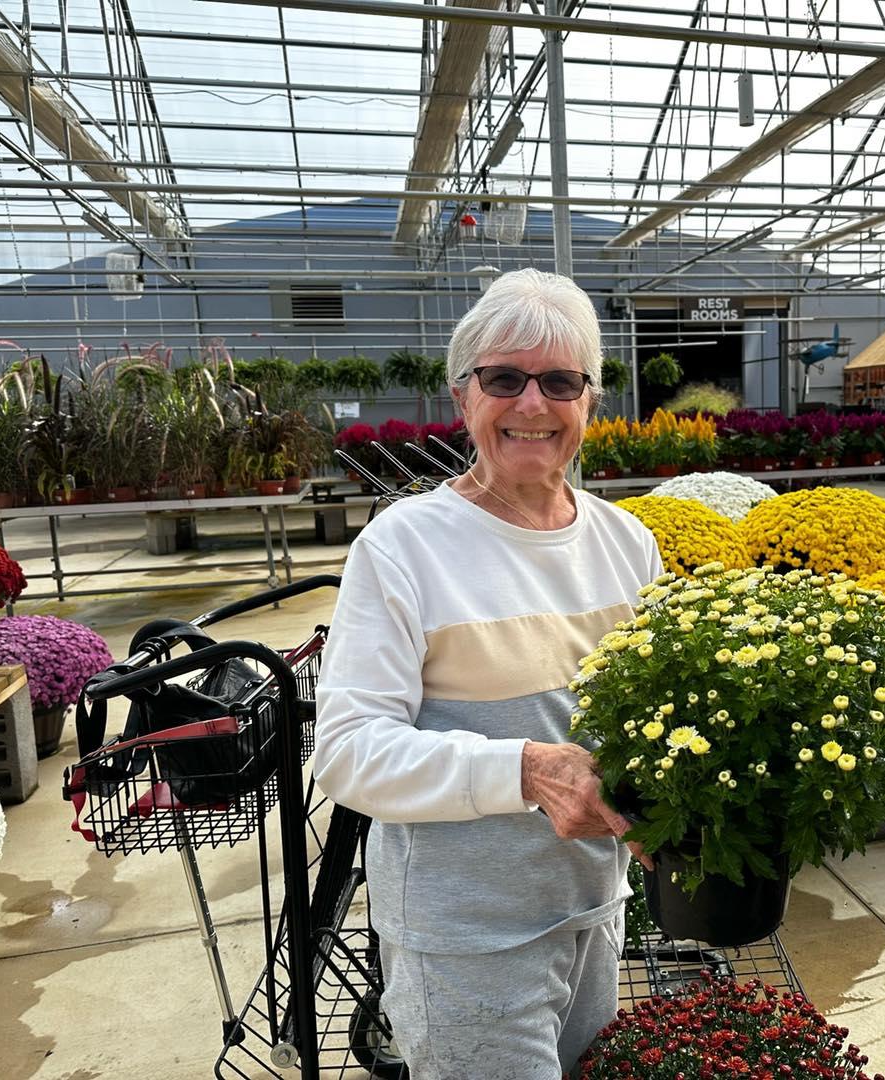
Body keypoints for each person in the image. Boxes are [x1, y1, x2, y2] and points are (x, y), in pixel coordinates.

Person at [313, 268, 662, 1079]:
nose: (532, 404)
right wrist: (527, 770)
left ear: (591, 400)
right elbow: (349, 753)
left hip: (592, 909)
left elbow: (647, 717)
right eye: (504, 378)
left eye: (560, 381)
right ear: (463, 395)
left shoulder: (625, 541)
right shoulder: (405, 547)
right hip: (466, 936)